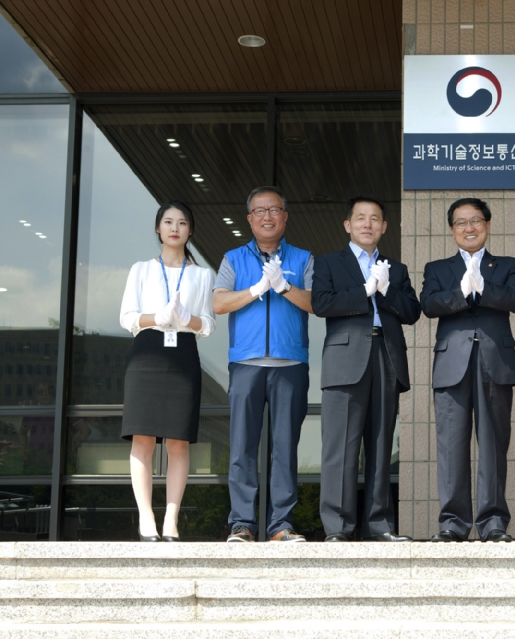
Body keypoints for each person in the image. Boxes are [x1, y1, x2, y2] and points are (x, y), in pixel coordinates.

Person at [312, 195, 421, 542]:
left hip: (385, 356)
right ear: (348, 225)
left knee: (380, 444)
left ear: (384, 227)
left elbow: (412, 312)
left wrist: (386, 289)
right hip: (345, 360)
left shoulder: (397, 268)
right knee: (340, 447)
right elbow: (322, 303)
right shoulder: (330, 263)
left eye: (375, 218)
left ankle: (380, 525)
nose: (367, 224)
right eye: (360, 217)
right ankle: (338, 527)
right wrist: (364, 290)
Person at [421, 198, 515, 542]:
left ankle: (494, 523)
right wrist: (460, 292)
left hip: (494, 362)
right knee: (451, 447)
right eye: (461, 222)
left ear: (488, 225)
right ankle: (453, 523)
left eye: (476, 221)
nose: (469, 228)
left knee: (494, 445)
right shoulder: (437, 268)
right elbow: (429, 304)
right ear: (452, 229)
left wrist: (483, 286)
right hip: (451, 364)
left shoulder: (507, 264)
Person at [212, 186, 314, 543]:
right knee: (242, 446)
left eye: (274, 210)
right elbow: (219, 303)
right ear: (249, 219)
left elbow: (316, 303)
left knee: (285, 447)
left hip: (290, 363)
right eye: (260, 211)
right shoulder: (233, 259)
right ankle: (242, 524)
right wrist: (256, 289)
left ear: (285, 216)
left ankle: (281, 525)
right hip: (246, 362)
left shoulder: (302, 258)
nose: (267, 216)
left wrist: (284, 287)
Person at [119, 201, 216, 542]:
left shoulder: (203, 275)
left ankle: (171, 520)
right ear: (158, 228)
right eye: (168, 221)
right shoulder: (142, 269)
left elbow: (209, 324)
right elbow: (127, 317)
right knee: (142, 439)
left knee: (178, 442)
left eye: (182, 222)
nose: (175, 228)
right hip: (147, 353)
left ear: (190, 230)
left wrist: (185, 319)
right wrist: (157, 318)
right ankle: (146, 518)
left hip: (184, 356)